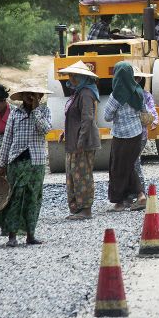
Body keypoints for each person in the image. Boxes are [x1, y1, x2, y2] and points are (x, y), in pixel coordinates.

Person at [0, 83, 52, 247]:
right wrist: (2, 164)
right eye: (28, 94)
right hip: (17, 161)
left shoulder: (44, 111)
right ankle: (12, 235)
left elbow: (45, 130)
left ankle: (30, 234)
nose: (31, 97)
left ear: (39, 97)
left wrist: (35, 111)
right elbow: (7, 139)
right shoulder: (15, 113)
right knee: (15, 197)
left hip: (37, 162)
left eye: (34, 94)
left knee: (34, 197)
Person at [59, 61, 100, 220]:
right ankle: (77, 208)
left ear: (81, 77)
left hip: (83, 143)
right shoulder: (78, 93)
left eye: (73, 75)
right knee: (72, 174)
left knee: (82, 175)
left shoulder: (86, 94)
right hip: (74, 142)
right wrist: (66, 132)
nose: (70, 78)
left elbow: (87, 119)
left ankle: (85, 209)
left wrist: (80, 141)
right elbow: (74, 117)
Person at [103, 62, 146, 211]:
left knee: (117, 168)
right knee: (129, 166)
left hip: (121, 136)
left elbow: (107, 116)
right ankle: (140, 196)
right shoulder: (138, 91)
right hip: (137, 134)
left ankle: (119, 202)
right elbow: (144, 111)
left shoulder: (116, 95)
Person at [130, 67, 158, 211]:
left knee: (134, 162)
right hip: (128, 134)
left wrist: (153, 121)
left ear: (139, 80)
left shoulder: (145, 95)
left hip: (140, 134)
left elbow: (152, 112)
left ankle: (140, 193)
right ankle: (132, 193)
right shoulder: (123, 94)